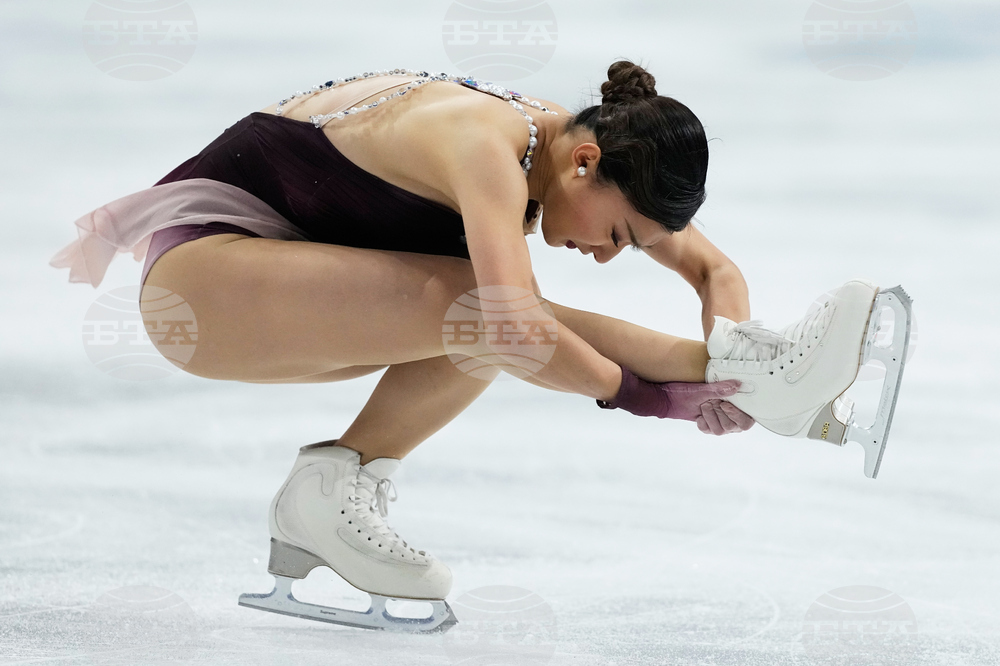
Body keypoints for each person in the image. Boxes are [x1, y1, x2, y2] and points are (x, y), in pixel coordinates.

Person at [51, 60, 895, 631]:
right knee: (490, 307)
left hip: (277, 288)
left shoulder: (575, 154)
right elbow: (517, 330)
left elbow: (714, 268)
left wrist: (734, 347)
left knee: (485, 304)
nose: (608, 256)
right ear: (584, 163)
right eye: (621, 237)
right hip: (203, 289)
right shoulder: (488, 148)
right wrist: (655, 395)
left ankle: (329, 491)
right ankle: (774, 386)